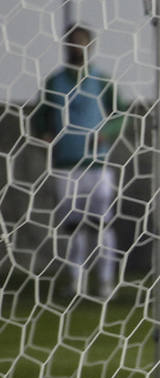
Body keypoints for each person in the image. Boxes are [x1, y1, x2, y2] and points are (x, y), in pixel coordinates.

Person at [32, 24, 123, 301]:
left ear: (91, 46)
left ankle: (106, 281)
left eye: (83, 42)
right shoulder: (54, 81)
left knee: (102, 223)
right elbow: (39, 113)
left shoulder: (102, 80)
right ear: (66, 46)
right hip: (66, 163)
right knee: (72, 226)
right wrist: (43, 132)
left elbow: (120, 114)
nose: (77, 47)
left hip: (97, 163)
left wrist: (106, 133)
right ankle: (75, 281)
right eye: (73, 42)